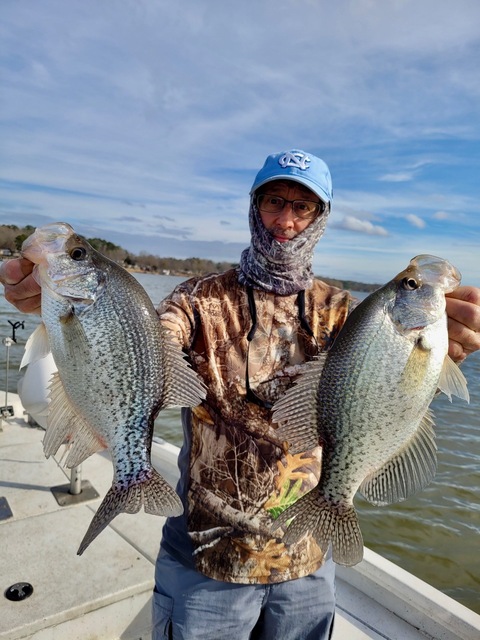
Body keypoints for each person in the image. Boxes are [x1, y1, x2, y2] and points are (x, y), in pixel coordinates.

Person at [1, 150, 479, 640]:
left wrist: (446, 355)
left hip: (310, 553)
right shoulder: (195, 299)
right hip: (205, 560)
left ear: (321, 218)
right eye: (274, 200)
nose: (286, 220)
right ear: (254, 205)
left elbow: (384, 390)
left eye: (303, 206)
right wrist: (78, 318)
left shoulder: (349, 314)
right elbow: (150, 346)